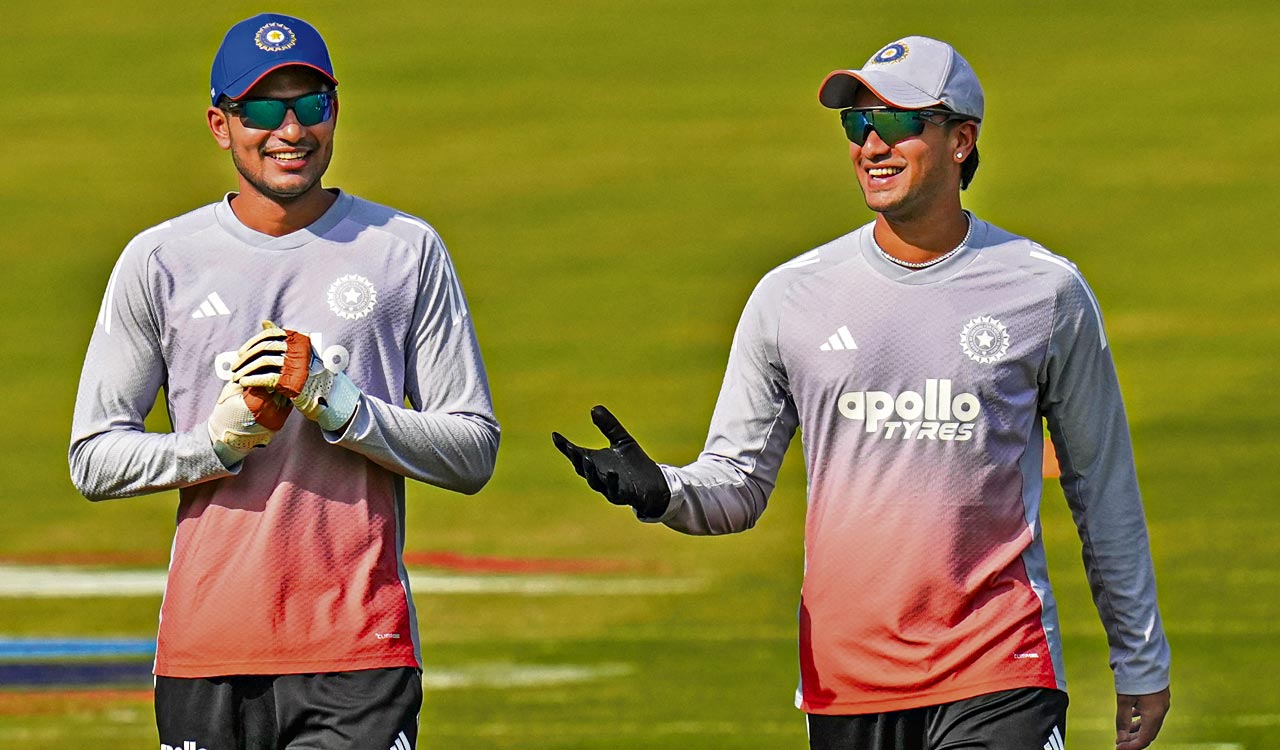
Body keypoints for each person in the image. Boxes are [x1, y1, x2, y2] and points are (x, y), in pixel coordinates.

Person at [553, 35, 1170, 750]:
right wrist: (664, 491)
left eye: (898, 121)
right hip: (846, 684)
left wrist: (1140, 659)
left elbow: (1102, 487)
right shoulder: (790, 295)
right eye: (857, 123)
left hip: (1000, 669)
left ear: (962, 140)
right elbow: (739, 484)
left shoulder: (1045, 291)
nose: (872, 144)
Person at [68, 13, 499, 748]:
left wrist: (344, 408)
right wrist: (217, 444)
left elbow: (473, 452)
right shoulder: (161, 261)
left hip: (359, 651)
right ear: (221, 124)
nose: (291, 131)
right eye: (264, 110)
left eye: (311, 105)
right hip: (206, 651)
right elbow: (93, 459)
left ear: (336, 110)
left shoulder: (404, 250)